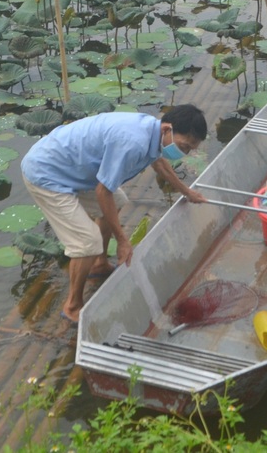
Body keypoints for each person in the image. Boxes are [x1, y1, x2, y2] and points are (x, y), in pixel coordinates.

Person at [21, 105, 208, 324]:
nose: (184, 153)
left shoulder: (152, 131)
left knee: (118, 202)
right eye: (184, 146)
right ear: (167, 129)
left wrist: (186, 192)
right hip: (46, 173)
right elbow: (103, 191)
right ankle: (72, 306)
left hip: (73, 168)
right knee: (86, 243)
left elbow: (158, 163)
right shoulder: (133, 142)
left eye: (189, 149)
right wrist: (122, 241)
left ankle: (99, 264)